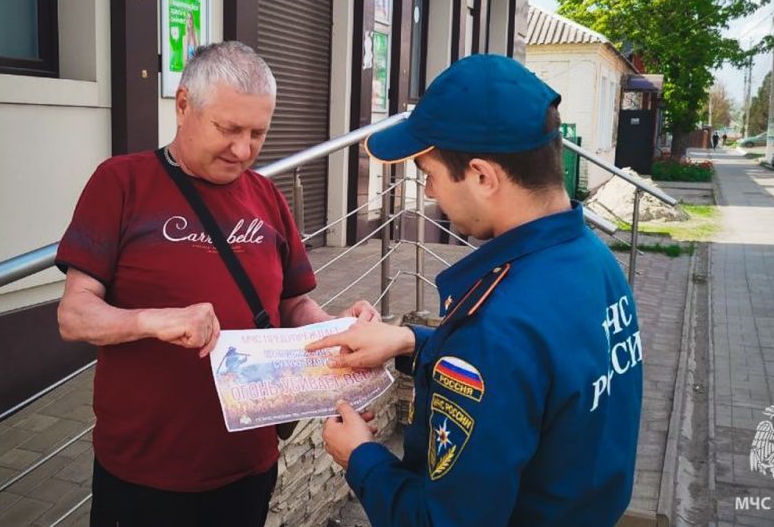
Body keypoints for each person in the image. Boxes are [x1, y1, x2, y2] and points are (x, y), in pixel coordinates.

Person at [307, 54, 644, 527]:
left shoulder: (497, 325)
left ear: (484, 177)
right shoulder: (593, 261)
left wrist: (361, 457)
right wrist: (408, 342)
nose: (429, 194)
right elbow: (532, 379)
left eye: (431, 175)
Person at [56, 41, 378, 527]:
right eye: (228, 129)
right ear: (183, 104)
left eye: (258, 133)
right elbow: (74, 314)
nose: (243, 150)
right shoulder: (121, 183)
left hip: (248, 461)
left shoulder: (266, 195)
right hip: (145, 468)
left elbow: (293, 304)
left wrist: (334, 330)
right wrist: (153, 320)